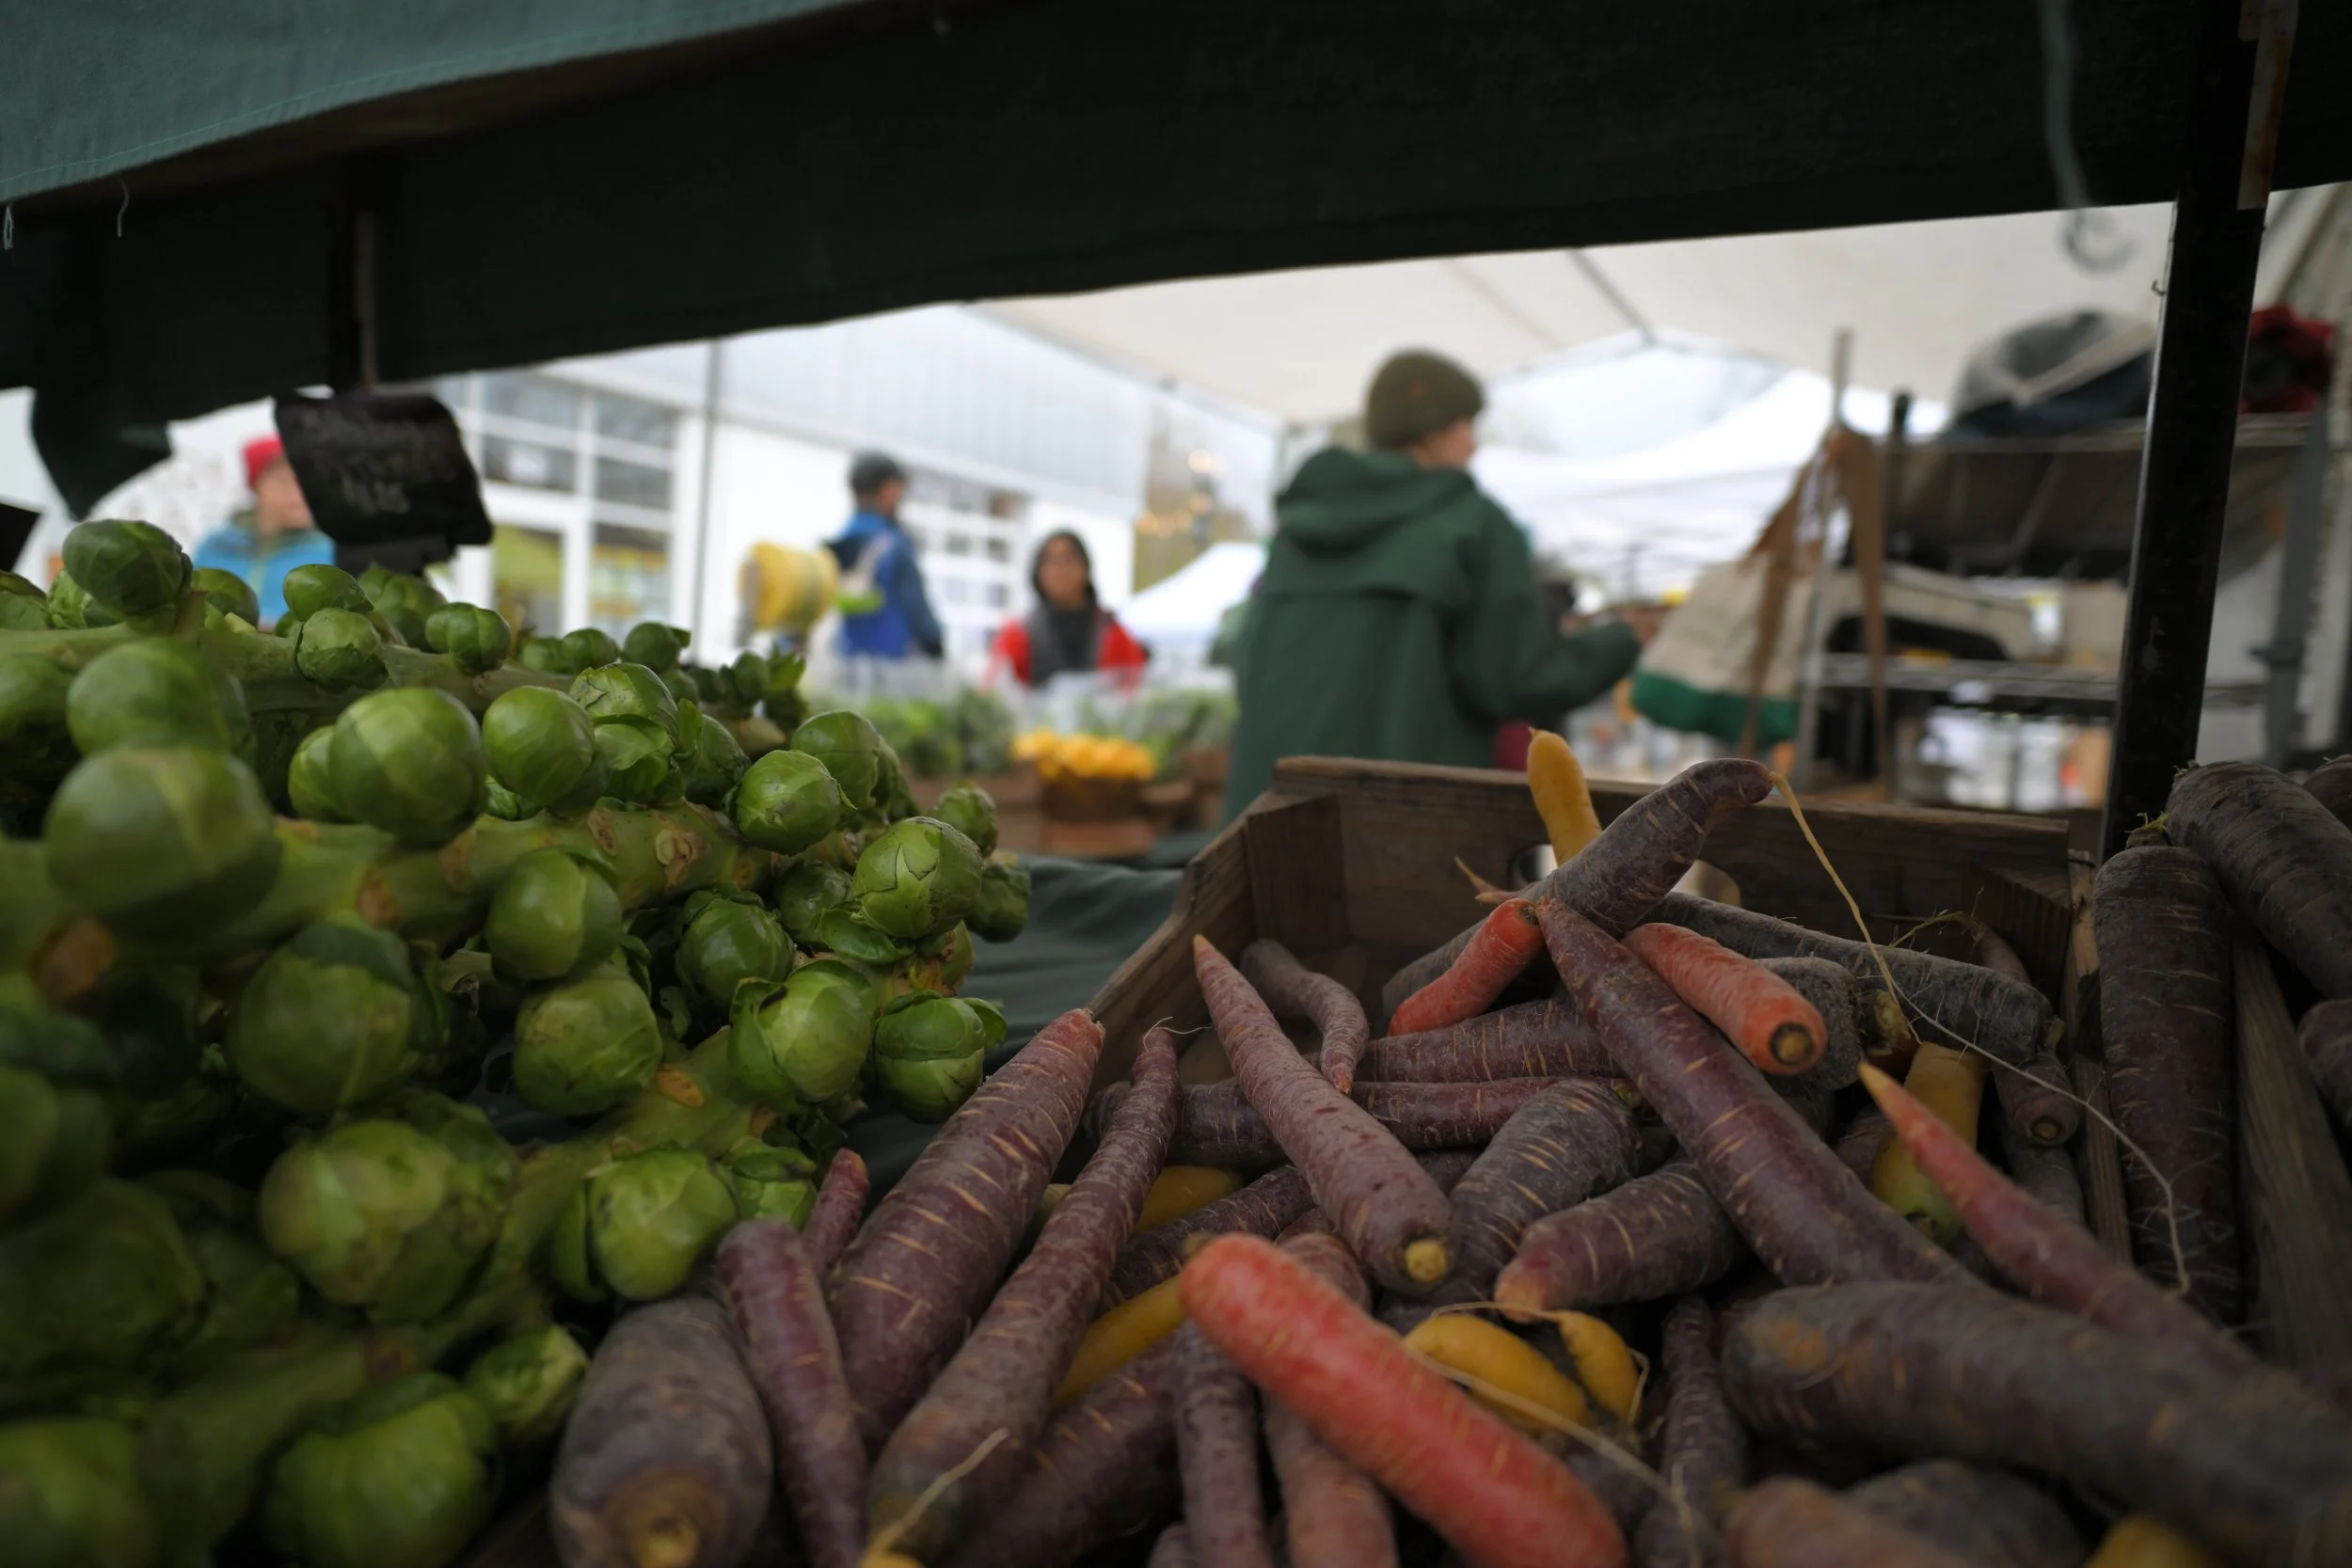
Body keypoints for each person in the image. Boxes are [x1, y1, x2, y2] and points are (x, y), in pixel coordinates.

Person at [1224, 350, 1657, 821]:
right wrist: (1623, 639)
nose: (1473, 446)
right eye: (1466, 424)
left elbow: (1245, 663)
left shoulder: (1295, 532)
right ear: (1434, 430)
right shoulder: (1472, 524)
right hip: (1396, 831)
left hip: (1269, 819)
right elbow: (1514, 680)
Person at [193, 436, 336, 627]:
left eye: (307, 482)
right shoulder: (217, 546)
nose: (299, 495)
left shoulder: (329, 552)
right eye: (285, 482)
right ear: (257, 486)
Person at [990, 530, 1149, 689]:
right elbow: (994, 693)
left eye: (1068, 559)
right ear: (1037, 572)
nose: (1059, 569)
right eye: (1050, 561)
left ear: (1085, 568)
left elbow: (1137, 688)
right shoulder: (1018, 634)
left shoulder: (1111, 632)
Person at [824, 451, 943, 661]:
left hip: (846, 665)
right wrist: (936, 647)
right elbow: (918, 611)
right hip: (892, 671)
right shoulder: (893, 545)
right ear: (888, 489)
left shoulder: (838, 545)